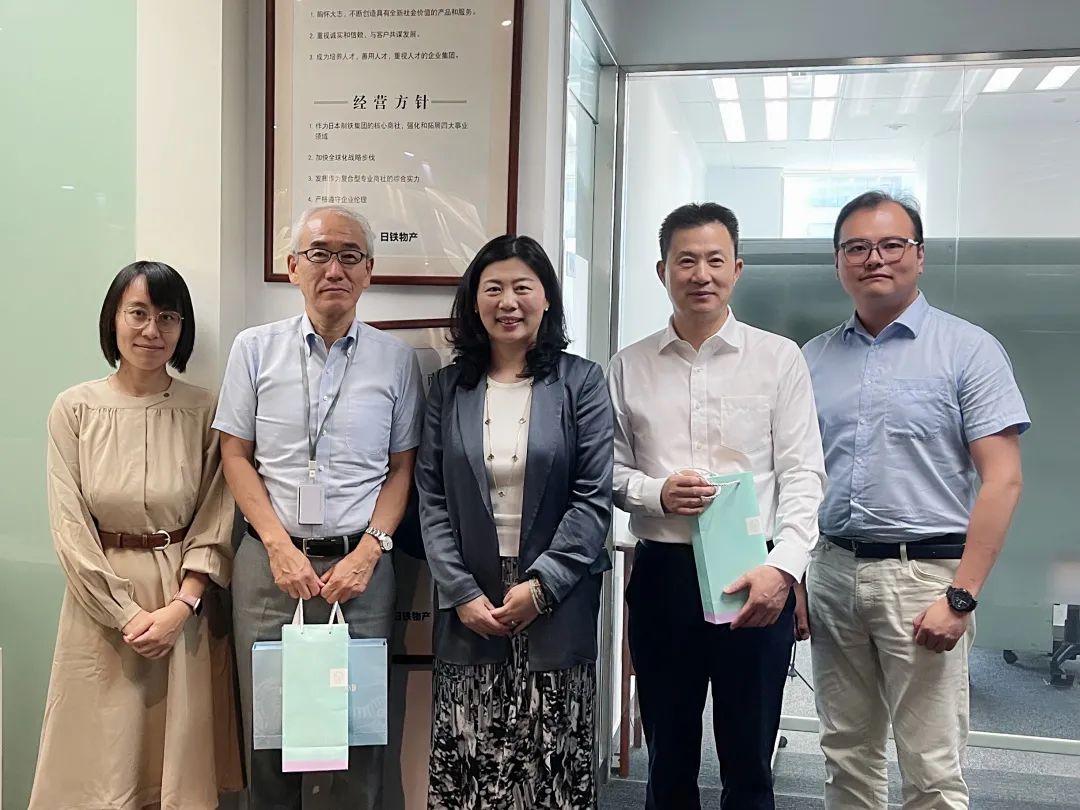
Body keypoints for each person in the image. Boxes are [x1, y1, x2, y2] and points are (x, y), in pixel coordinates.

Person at [802, 191, 1029, 810]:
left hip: (925, 579)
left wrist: (961, 596)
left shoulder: (968, 349)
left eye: (891, 244)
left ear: (919, 256)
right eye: (857, 247)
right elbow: (796, 479)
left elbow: (1003, 479)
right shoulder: (812, 358)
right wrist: (793, 574)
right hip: (831, 571)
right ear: (839, 261)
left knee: (930, 768)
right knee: (845, 754)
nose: (874, 258)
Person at [608, 203, 825, 810]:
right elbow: (609, 471)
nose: (700, 274)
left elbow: (804, 472)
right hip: (663, 574)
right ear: (662, 271)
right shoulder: (629, 365)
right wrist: (656, 493)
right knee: (668, 757)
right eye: (686, 261)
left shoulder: (779, 358)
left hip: (754, 572)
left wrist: (784, 570)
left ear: (737, 269)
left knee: (750, 758)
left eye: (714, 260)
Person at [214, 205, 424, 808]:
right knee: (270, 734)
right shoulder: (254, 349)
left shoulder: (396, 359)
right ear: (292, 267)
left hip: (361, 570)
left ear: (369, 271)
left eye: (350, 256)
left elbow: (401, 468)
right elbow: (235, 455)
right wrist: (279, 548)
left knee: (358, 736)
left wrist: (369, 553)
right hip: (269, 567)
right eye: (320, 254)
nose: (335, 269)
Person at [30, 261, 242, 810]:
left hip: (183, 604)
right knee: (101, 767)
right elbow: (70, 525)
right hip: (99, 607)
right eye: (139, 314)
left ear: (182, 328)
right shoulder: (74, 408)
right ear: (114, 319)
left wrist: (182, 606)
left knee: (178, 772)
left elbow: (217, 514)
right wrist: (124, 614)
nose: (152, 330)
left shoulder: (206, 409)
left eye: (167, 317)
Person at [416, 234, 613, 809]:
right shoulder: (448, 387)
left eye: (523, 287)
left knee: (553, 760)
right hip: (470, 600)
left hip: (557, 597)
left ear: (546, 298)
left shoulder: (581, 382)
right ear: (474, 301)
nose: (508, 302)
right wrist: (459, 592)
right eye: (493, 288)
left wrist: (543, 586)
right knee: (471, 757)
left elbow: (592, 496)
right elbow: (431, 496)